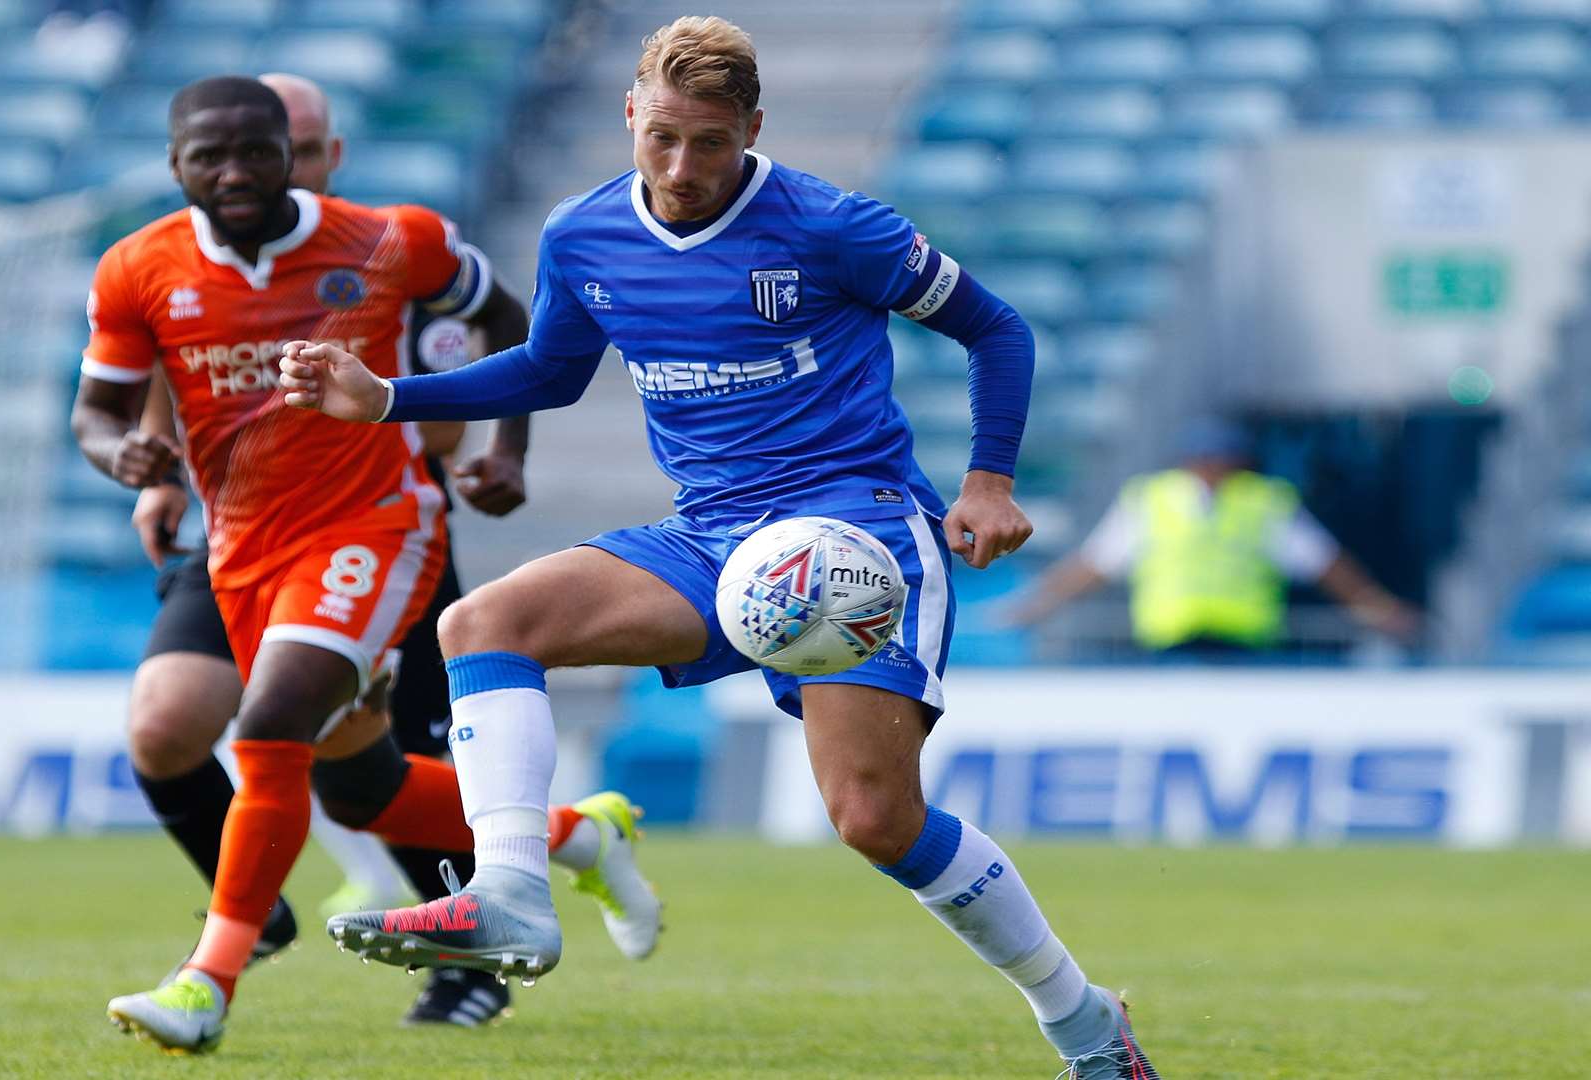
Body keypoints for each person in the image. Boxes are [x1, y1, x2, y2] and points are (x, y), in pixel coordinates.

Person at [281, 17, 1158, 1079]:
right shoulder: (583, 233)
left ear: (752, 127)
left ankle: (1081, 1024)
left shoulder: (834, 226)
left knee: (876, 820)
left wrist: (989, 481)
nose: (681, 166)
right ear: (629, 116)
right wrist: (387, 399)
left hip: (856, 533)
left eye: (708, 142)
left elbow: (997, 328)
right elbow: (551, 374)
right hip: (709, 537)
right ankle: (511, 894)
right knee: (487, 622)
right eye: (660, 138)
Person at [74, 77, 659, 1054]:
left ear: (294, 152)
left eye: (257, 151)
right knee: (361, 788)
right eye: (207, 158)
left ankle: (206, 982)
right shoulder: (138, 267)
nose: (234, 174)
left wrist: (504, 447)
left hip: (376, 526)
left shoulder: (392, 239)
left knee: (268, 728)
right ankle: (583, 837)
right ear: (174, 167)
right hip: (242, 549)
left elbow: (513, 319)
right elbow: (99, 407)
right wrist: (122, 455)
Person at [1002, 419, 1420, 660]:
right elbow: (1096, 565)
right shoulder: (1151, 499)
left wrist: (1373, 604)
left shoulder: (1264, 502)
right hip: (1172, 643)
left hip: (1243, 643)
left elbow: (1325, 564)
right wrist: (1040, 603)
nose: (1214, 468)